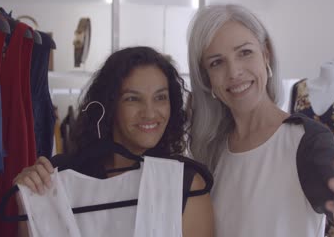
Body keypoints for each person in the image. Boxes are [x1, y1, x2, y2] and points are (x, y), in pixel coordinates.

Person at [187, 4, 334, 237]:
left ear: (266, 55)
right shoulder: (211, 150)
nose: (234, 72)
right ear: (207, 78)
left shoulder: (307, 142)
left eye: (244, 52)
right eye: (216, 62)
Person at [13, 46, 214, 236]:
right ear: (109, 105)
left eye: (160, 97)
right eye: (132, 99)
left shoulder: (184, 185)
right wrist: (28, 200)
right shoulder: (56, 178)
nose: (150, 112)